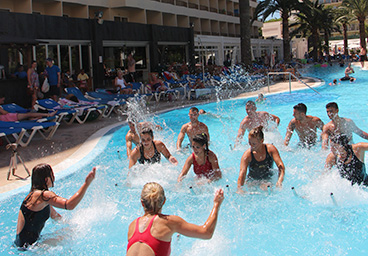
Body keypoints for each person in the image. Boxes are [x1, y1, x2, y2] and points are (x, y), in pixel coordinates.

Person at [126, 182, 224, 256]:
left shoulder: (132, 225)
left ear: (142, 203)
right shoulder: (168, 222)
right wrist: (216, 204)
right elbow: (206, 232)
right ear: (164, 201)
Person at [14, 164, 96, 248]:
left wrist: (73, 224)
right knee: (68, 238)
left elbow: (56, 216)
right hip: (29, 248)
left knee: (68, 233)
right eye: (52, 175)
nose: (54, 178)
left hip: (22, 245)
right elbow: (69, 205)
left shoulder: (34, 196)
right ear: (46, 179)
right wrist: (86, 184)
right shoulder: (43, 195)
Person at [237, 126, 285, 191]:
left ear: (262, 141)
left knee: (266, 187)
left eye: (254, 144)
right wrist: (240, 189)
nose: (251, 146)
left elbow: (281, 166)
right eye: (249, 143)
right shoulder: (247, 155)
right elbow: (242, 174)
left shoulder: (270, 150)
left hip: (268, 180)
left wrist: (279, 181)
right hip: (253, 181)